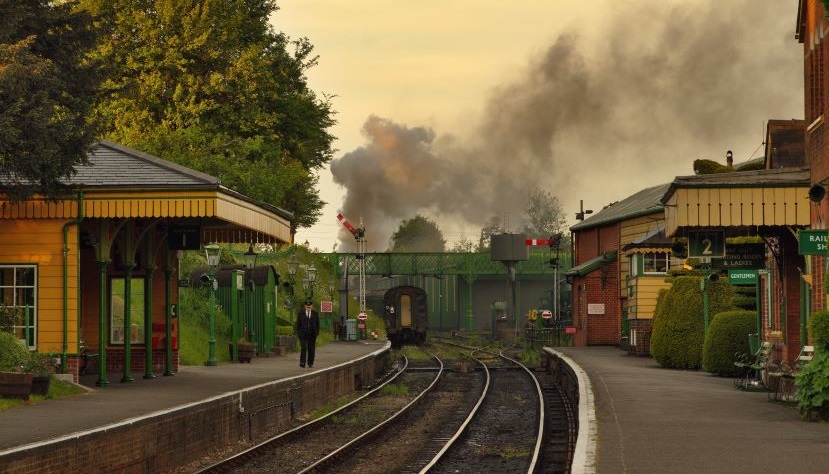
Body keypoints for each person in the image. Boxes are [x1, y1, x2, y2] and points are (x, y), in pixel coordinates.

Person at [295, 299, 320, 368]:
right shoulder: (301, 314)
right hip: (303, 334)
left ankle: (310, 363)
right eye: (307, 306)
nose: (308, 307)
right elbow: (298, 324)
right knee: (303, 347)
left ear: (312, 306)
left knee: (311, 349)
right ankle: (302, 362)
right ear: (305, 306)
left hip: (312, 334)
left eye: (309, 306)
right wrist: (299, 333)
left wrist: (317, 333)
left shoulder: (315, 314)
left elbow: (318, 324)